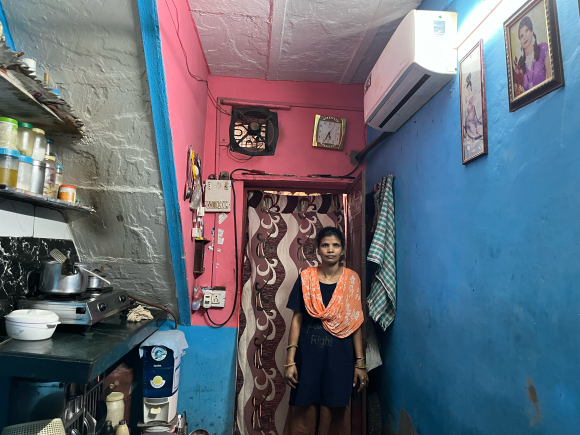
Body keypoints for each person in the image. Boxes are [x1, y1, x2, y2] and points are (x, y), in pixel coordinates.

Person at [283, 226, 368, 435]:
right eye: (325, 245)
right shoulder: (306, 278)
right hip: (308, 358)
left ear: (342, 250)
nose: (331, 250)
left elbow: (355, 323)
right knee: (304, 409)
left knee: (336, 409)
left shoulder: (351, 280)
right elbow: (297, 320)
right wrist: (290, 360)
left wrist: (360, 363)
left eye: (336, 245)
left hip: (340, 358)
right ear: (318, 250)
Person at [517, 15, 551, 92]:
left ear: (532, 32)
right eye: (521, 36)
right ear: (520, 41)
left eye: (527, 31)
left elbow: (550, 75)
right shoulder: (520, 65)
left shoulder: (543, 49)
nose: (524, 37)